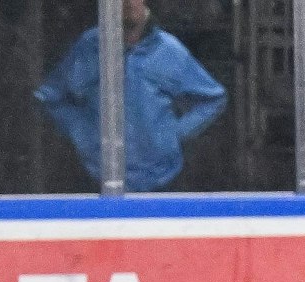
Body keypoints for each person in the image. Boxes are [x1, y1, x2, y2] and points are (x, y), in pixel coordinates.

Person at [34, 0, 226, 192]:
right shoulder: (89, 47)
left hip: (162, 181)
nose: (127, 2)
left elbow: (213, 98)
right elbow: (50, 97)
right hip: (98, 178)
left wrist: (173, 135)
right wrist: (82, 131)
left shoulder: (169, 50)